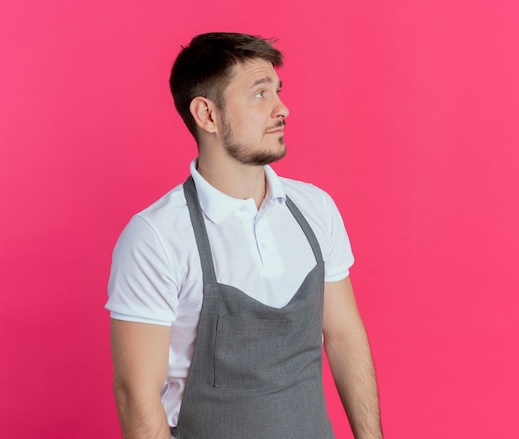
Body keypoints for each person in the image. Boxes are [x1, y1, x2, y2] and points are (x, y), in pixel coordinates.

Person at [106, 32, 383, 439]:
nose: (282, 108)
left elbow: (344, 336)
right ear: (207, 114)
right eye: (259, 94)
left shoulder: (315, 209)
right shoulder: (156, 237)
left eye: (277, 90)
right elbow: (136, 396)